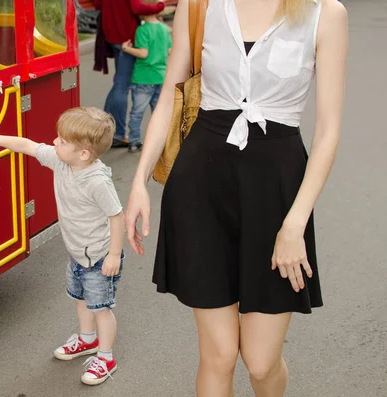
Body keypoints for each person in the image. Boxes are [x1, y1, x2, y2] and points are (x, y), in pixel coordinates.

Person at [124, 0, 348, 395]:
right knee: (219, 355)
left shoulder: (324, 14)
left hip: (277, 196)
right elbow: (166, 101)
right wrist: (139, 180)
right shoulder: (199, 6)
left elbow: (328, 131)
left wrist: (295, 223)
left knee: (261, 364)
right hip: (201, 188)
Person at [0, 107, 125, 386]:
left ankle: (106, 356)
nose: (54, 142)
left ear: (84, 154)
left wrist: (114, 255)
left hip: (100, 258)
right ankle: (87, 341)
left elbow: (116, 216)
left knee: (100, 307)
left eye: (62, 141)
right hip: (77, 253)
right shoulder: (61, 161)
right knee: (80, 300)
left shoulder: (97, 181)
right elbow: (27, 145)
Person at [93, 0, 166, 148]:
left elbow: (97, 3)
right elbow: (137, 7)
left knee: (119, 83)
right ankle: (116, 134)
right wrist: (160, 6)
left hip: (112, 34)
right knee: (121, 86)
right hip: (126, 36)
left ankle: (106, 128)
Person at [121, 0, 172, 152]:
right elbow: (169, 51)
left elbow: (143, 53)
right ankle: (162, 141)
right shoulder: (164, 29)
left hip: (143, 77)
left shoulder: (142, 30)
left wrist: (126, 48)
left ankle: (135, 141)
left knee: (137, 112)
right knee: (159, 112)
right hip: (160, 76)